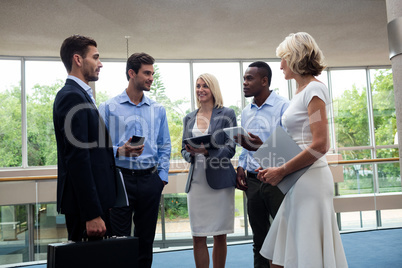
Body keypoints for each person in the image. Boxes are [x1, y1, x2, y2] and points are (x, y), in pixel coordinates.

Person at [258, 32, 348, 267]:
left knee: (303, 257)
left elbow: (320, 144)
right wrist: (274, 167)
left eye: (283, 59)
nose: (280, 66)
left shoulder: (314, 91)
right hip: (296, 180)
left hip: (310, 182)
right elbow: (299, 140)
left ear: (295, 58)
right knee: (279, 258)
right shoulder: (300, 92)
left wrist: (282, 171)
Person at [98, 52, 171, 268]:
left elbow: (165, 145)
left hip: (150, 181)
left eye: (152, 73)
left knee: (145, 241)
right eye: (146, 73)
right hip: (119, 181)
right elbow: (98, 147)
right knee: (118, 241)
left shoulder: (158, 109)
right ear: (132, 73)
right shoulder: (108, 108)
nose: (151, 78)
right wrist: (119, 151)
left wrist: (162, 178)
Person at [53, 35, 117, 241]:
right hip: (87, 211)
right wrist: (92, 214)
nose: (100, 64)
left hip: (95, 205)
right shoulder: (72, 96)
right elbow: (78, 158)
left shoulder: (81, 95)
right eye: (96, 57)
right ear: (78, 60)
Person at [234, 61, 289, 268]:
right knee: (259, 238)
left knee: (286, 234)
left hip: (276, 179)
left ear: (264, 81)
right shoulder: (246, 112)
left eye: (249, 78)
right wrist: (241, 165)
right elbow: (247, 145)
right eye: (244, 79)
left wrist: (263, 147)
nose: (244, 83)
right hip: (252, 180)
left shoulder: (284, 106)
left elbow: (288, 148)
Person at [181, 73, 237, 268]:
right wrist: (191, 153)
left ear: (213, 89)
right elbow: (182, 149)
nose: (200, 89)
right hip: (196, 183)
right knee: (198, 236)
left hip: (220, 182)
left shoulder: (227, 114)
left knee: (220, 235)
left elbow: (231, 148)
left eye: (205, 86)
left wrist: (207, 151)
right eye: (198, 86)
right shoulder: (188, 117)